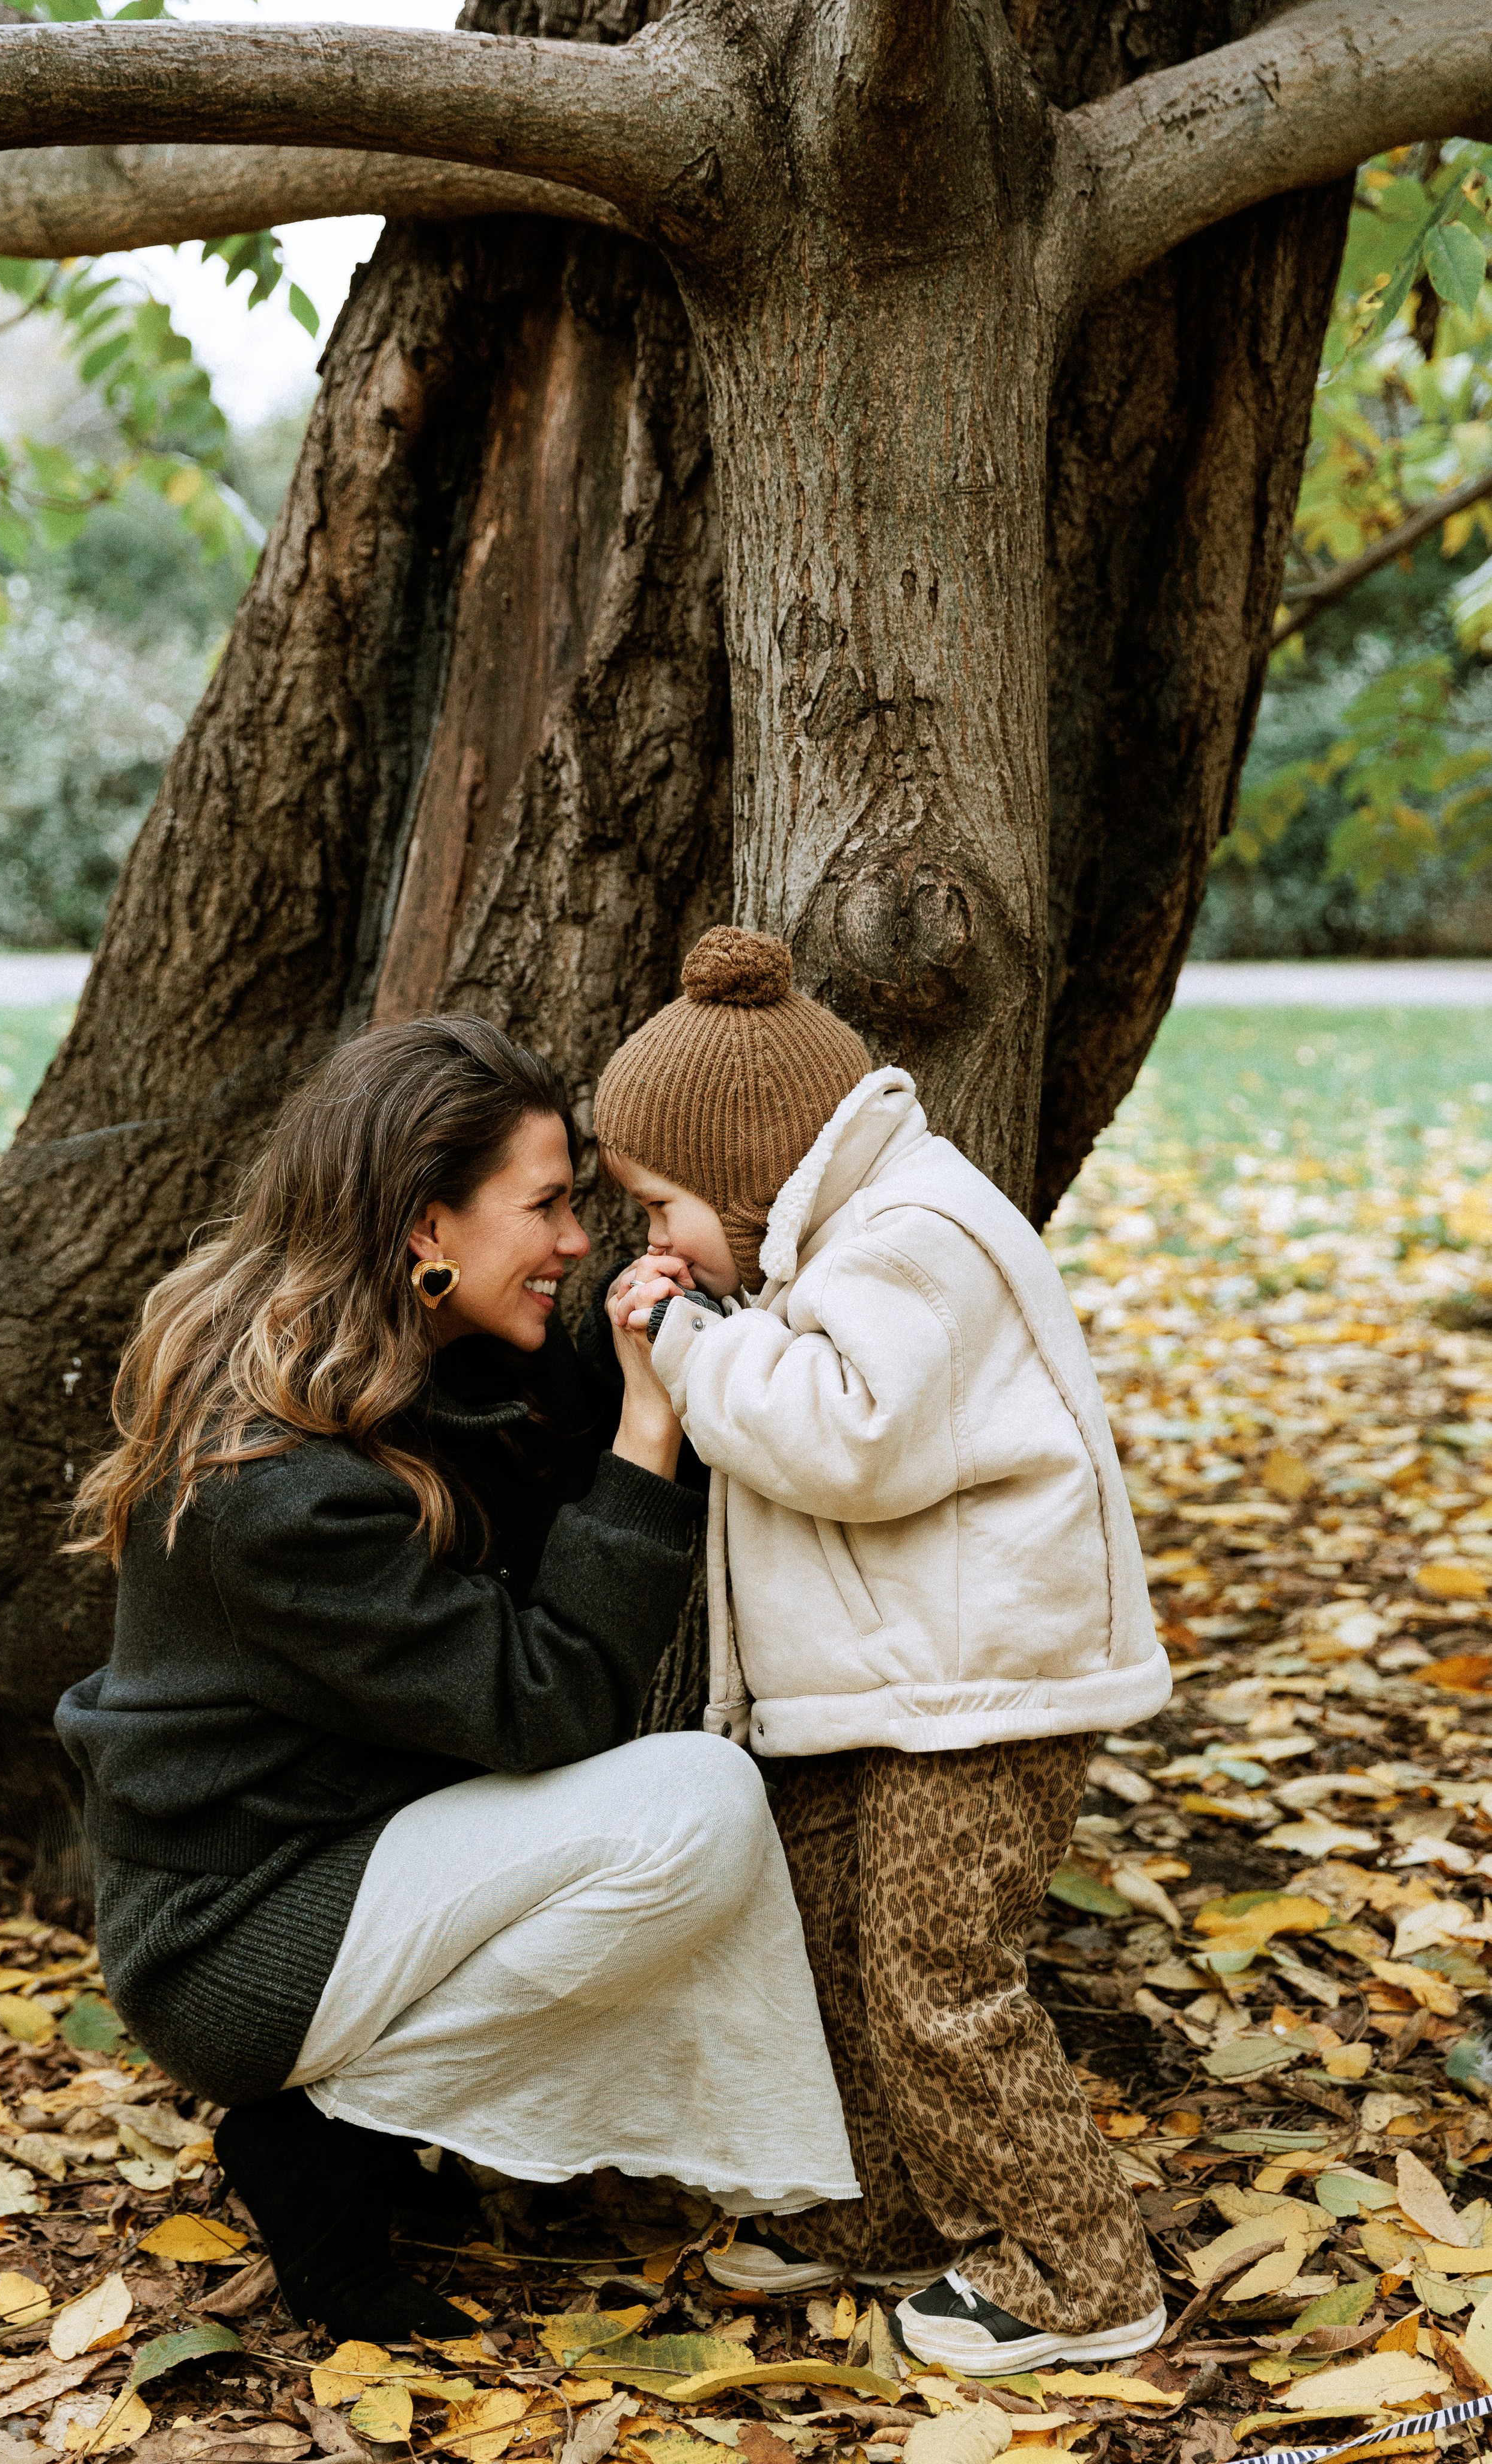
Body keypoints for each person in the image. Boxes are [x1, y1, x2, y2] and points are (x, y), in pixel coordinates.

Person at [56, 1015, 858, 2344]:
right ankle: (325, 2135)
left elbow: (549, 1455)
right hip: (233, 1934)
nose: (577, 1240)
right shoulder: (278, 1488)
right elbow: (550, 1703)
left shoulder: (428, 1360)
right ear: (428, 1226)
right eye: (544, 1207)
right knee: (693, 1804)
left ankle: (382, 2127)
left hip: (359, 1852)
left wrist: (659, 1334)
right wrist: (649, 1426)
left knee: (685, 1813)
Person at [589, 927, 1173, 2374]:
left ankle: (1078, 2267)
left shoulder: (917, 1235)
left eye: (661, 1204)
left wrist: (692, 1344)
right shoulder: (826, 1238)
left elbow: (853, 1435)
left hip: (984, 1691)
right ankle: (886, 2207)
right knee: (835, 1955)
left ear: (741, 1170)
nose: (653, 1238)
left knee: (936, 1975)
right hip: (888, 1685)